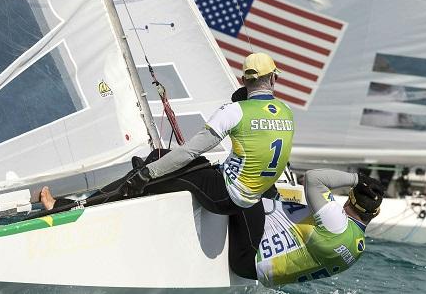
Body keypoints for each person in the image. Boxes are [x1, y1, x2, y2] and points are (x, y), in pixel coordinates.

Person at [41, 52, 294, 215]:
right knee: (166, 158)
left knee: (151, 166)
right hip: (251, 196)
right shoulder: (287, 113)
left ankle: (68, 208)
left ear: (242, 80)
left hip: (226, 197)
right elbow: (270, 153)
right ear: (273, 80)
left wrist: (146, 174)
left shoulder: (234, 111)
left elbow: (190, 151)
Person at [228, 168, 385, 287]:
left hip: (250, 253)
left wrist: (358, 179)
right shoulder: (358, 247)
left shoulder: (336, 222)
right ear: (376, 213)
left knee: (246, 181)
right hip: (254, 272)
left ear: (348, 200)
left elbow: (313, 178)